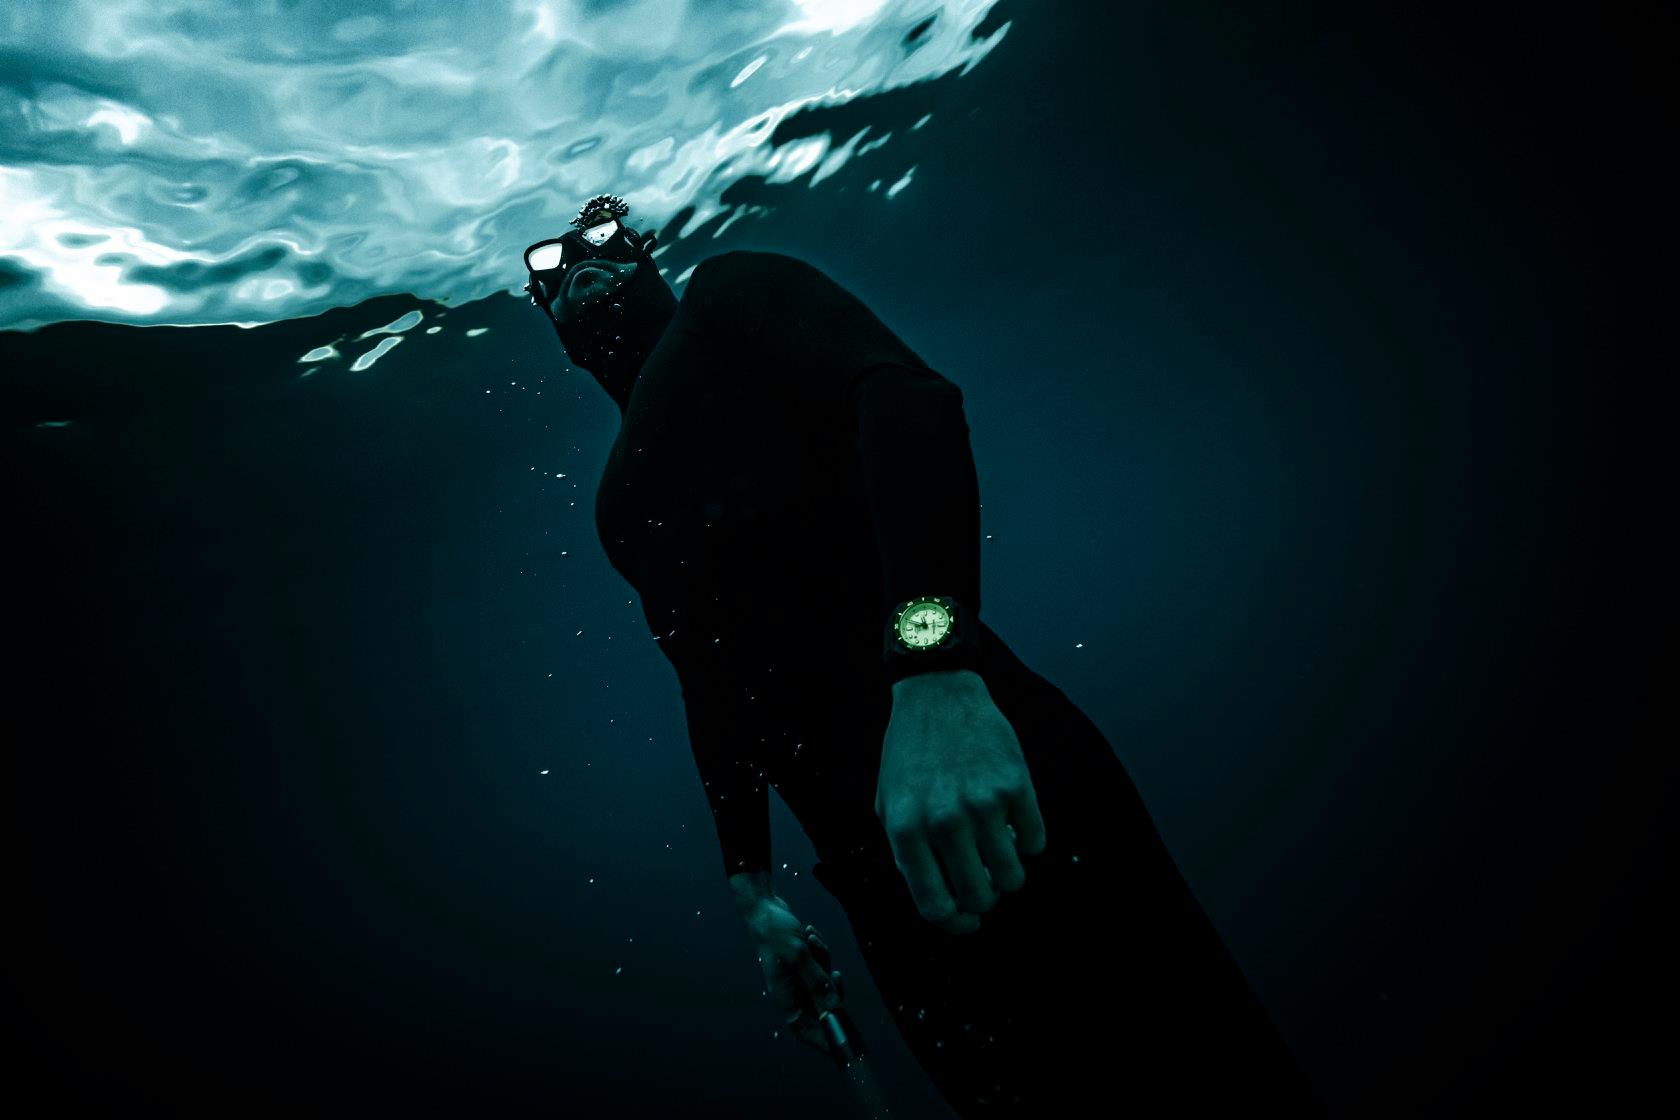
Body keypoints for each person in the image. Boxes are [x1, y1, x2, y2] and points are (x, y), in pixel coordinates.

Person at [523, 194, 1325, 1115]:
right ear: (557, 335)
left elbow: (906, 399)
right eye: (549, 273)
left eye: (600, 241)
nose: (577, 265)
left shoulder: (726, 294)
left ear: (646, 256)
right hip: (876, 877)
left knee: (1206, 1073)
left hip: (992, 771)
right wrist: (752, 887)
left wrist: (936, 671)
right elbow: (709, 685)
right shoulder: (615, 509)